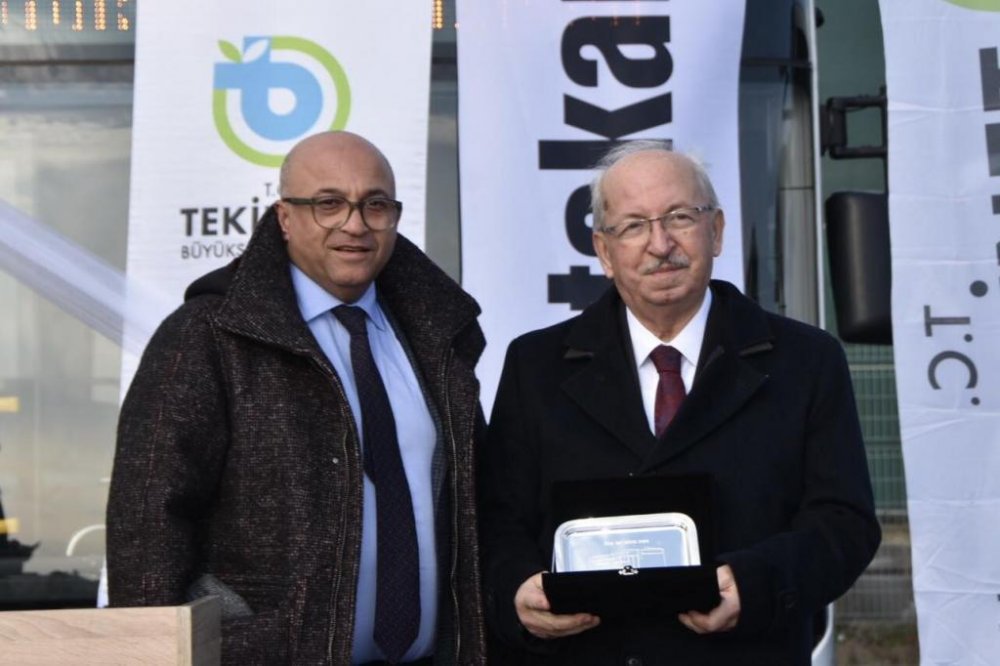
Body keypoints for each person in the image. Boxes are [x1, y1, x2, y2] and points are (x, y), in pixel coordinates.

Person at [480, 140, 881, 665]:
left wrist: (755, 584)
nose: (660, 243)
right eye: (633, 226)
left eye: (679, 218)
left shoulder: (806, 361)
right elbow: (497, 519)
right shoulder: (536, 366)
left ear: (716, 231)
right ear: (604, 251)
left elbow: (845, 523)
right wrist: (517, 591)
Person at [106, 131, 488, 665]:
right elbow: (147, 519)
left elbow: (476, 508)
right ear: (285, 217)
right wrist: (153, 652)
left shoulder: (436, 336)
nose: (355, 224)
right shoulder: (207, 335)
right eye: (328, 204)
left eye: (375, 204)